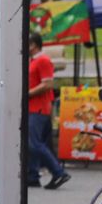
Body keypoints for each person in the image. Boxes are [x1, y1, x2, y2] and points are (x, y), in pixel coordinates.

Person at [29, 32, 71, 190]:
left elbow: (48, 84)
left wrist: (27, 93)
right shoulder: (33, 61)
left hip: (38, 108)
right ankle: (32, 175)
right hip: (34, 107)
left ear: (33, 45)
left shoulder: (43, 60)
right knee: (32, 143)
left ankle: (58, 172)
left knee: (34, 144)